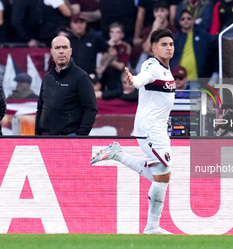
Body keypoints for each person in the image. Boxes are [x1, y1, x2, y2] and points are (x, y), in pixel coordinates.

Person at [91, 29, 175, 234]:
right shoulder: (151, 65)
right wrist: (133, 81)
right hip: (150, 129)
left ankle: (118, 154)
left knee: (162, 175)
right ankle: (152, 227)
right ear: (154, 48)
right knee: (162, 175)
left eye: (171, 44)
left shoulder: (167, 69)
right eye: (164, 44)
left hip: (158, 128)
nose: (169, 48)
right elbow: (141, 79)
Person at [35, 35, 98, 136]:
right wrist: (37, 135)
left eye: (64, 47)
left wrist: (80, 137)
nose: (61, 51)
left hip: (69, 139)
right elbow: (40, 109)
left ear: (70, 51)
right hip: (45, 139)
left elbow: (91, 109)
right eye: (57, 48)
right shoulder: (47, 78)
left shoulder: (81, 77)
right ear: (51, 52)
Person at [171, 9, 218, 79]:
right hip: (179, 81)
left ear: (193, 20)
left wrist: (215, 73)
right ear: (179, 22)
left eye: (189, 18)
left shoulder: (204, 35)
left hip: (200, 81)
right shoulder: (175, 38)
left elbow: (217, 48)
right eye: (182, 19)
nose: (186, 21)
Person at [95, 22, 131, 100]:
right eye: (112, 32)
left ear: (122, 35)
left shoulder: (126, 46)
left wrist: (109, 58)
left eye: (117, 32)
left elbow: (121, 66)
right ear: (109, 34)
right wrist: (108, 47)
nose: (114, 35)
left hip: (118, 75)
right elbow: (101, 62)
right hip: (105, 75)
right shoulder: (104, 45)